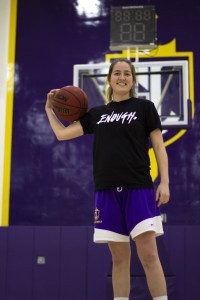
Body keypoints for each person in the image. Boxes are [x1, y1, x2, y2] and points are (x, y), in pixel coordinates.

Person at [45, 58, 170, 300]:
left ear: (132, 79)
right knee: (119, 259)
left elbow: (159, 146)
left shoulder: (145, 108)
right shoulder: (97, 115)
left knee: (149, 256)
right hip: (106, 192)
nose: (122, 77)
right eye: (117, 73)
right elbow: (62, 134)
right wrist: (49, 109)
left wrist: (164, 182)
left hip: (139, 189)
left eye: (127, 73)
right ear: (110, 79)